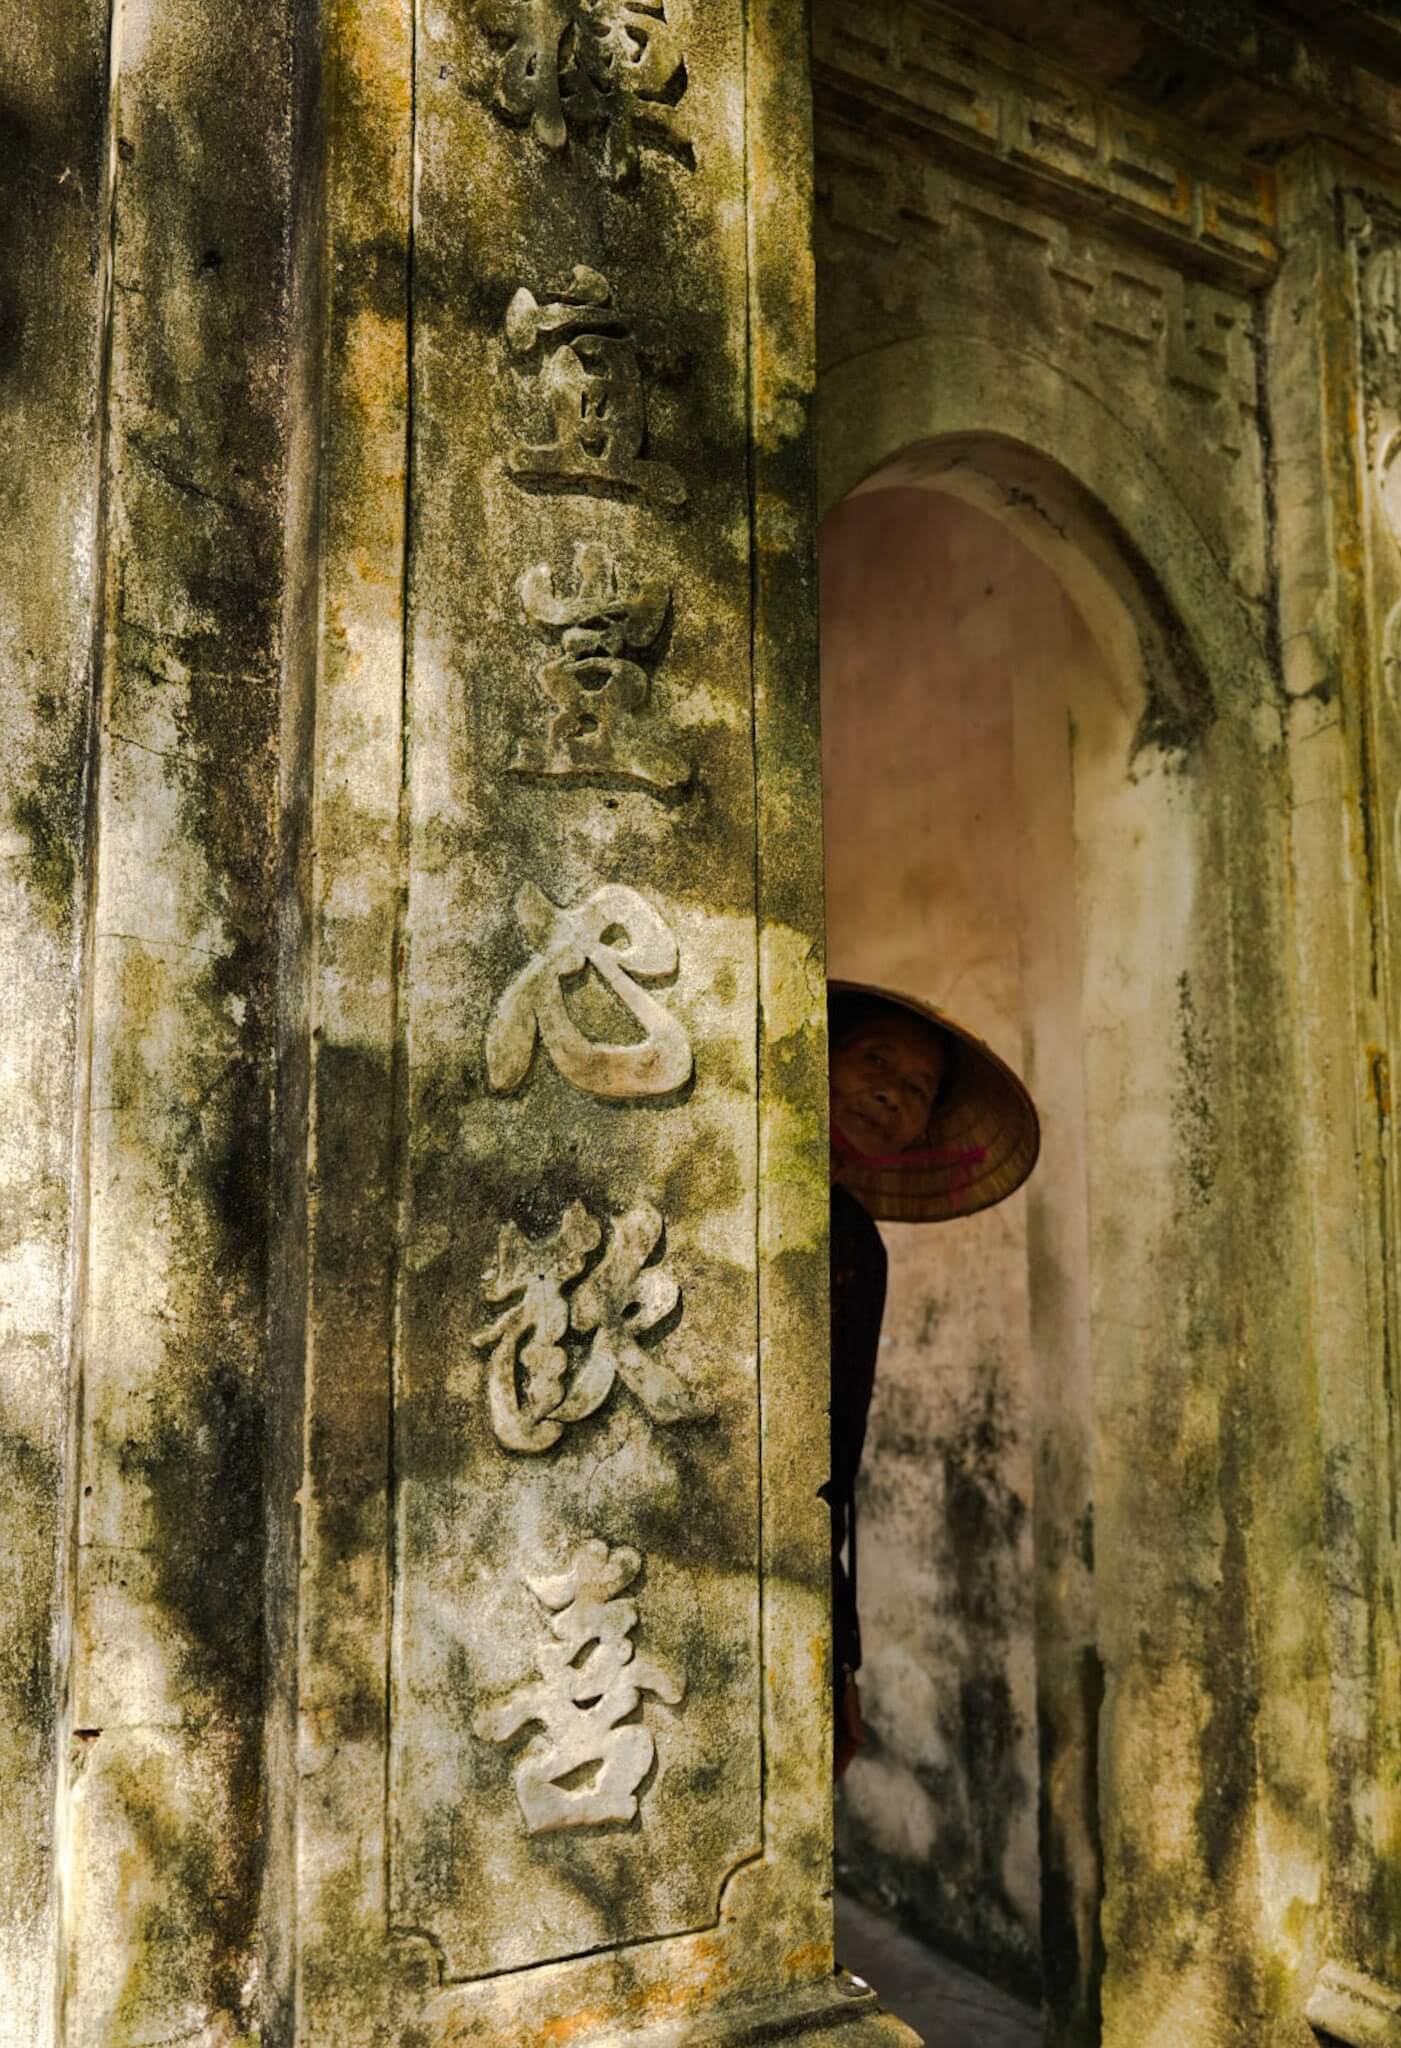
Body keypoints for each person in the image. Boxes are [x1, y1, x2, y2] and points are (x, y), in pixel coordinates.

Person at [825, 981, 1041, 1777]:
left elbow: (830, 1471)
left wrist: (839, 1658)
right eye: (874, 1058)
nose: (892, 1092)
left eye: (917, 1089)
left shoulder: (851, 1243)